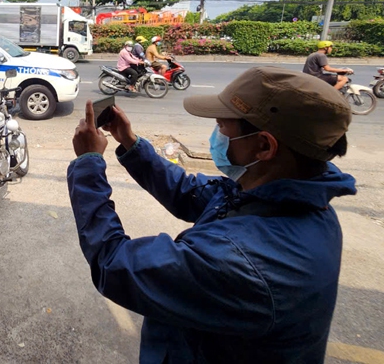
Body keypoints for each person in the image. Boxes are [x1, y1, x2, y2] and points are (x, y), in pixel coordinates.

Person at [68, 66, 355, 363]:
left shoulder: (242, 260)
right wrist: (130, 142)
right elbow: (188, 192)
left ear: (264, 146)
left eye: (222, 127)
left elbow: (114, 266)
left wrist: (89, 164)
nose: (216, 135)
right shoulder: (279, 194)